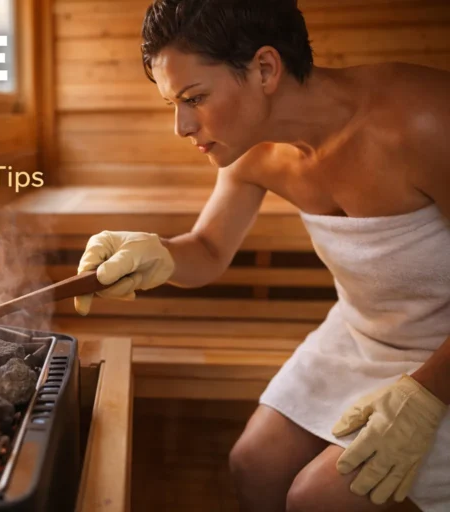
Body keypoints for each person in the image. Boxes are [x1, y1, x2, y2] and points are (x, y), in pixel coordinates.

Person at [73, 1, 450, 511]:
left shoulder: (424, 122)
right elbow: (207, 249)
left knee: (319, 498)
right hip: (363, 334)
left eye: (195, 97)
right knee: (255, 462)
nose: (182, 126)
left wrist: (427, 394)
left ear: (265, 68)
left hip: (441, 357)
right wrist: (155, 253)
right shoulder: (252, 148)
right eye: (172, 104)